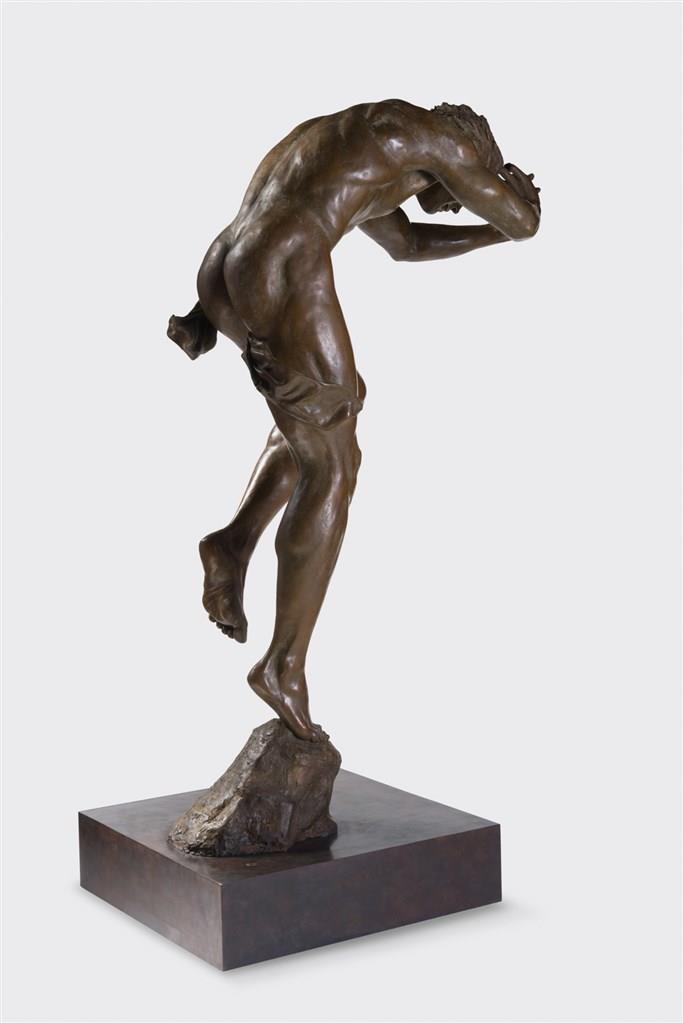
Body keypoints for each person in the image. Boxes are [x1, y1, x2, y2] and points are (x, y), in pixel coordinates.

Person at [167, 99, 541, 741]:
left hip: (223, 268)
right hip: (280, 266)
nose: (451, 207)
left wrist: (488, 235)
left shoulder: (368, 141)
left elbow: (407, 244)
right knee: (333, 469)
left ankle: (232, 545)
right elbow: (523, 222)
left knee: (325, 420)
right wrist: (514, 199)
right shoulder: (445, 143)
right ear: (468, 161)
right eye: (457, 198)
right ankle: (282, 666)